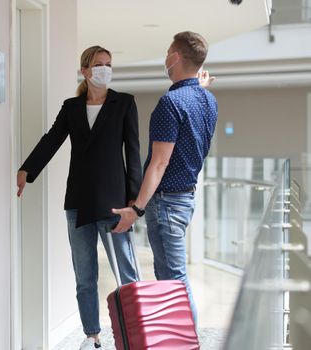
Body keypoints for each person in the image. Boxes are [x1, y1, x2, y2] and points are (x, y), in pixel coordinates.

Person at [17, 45, 142, 350]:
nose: (104, 69)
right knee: (85, 277)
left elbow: (134, 154)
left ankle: (138, 336)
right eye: (98, 65)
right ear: (85, 71)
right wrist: (27, 170)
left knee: (126, 275)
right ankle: (92, 336)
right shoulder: (71, 108)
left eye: (108, 64)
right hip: (78, 203)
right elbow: (52, 140)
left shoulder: (124, 103)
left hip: (115, 204)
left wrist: (134, 205)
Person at [112, 31, 218, 326]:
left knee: (174, 281)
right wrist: (200, 85)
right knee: (170, 279)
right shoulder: (209, 101)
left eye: (167, 53)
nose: (165, 58)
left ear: (175, 57)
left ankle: (186, 342)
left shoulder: (169, 104)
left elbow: (159, 163)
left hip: (167, 204)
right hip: (184, 200)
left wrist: (136, 209)